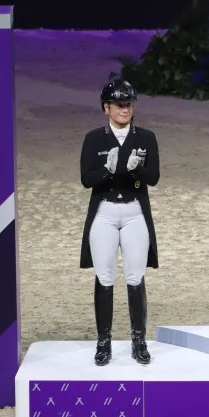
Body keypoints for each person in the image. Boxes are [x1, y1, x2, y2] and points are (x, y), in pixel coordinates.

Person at [79, 78, 160, 366]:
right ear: (106, 107)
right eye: (119, 104)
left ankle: (139, 340)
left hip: (135, 212)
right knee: (104, 276)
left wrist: (135, 172)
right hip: (104, 212)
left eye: (129, 104)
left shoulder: (146, 138)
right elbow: (86, 179)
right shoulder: (94, 139)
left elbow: (154, 177)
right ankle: (104, 342)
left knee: (135, 277)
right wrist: (107, 171)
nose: (125, 109)